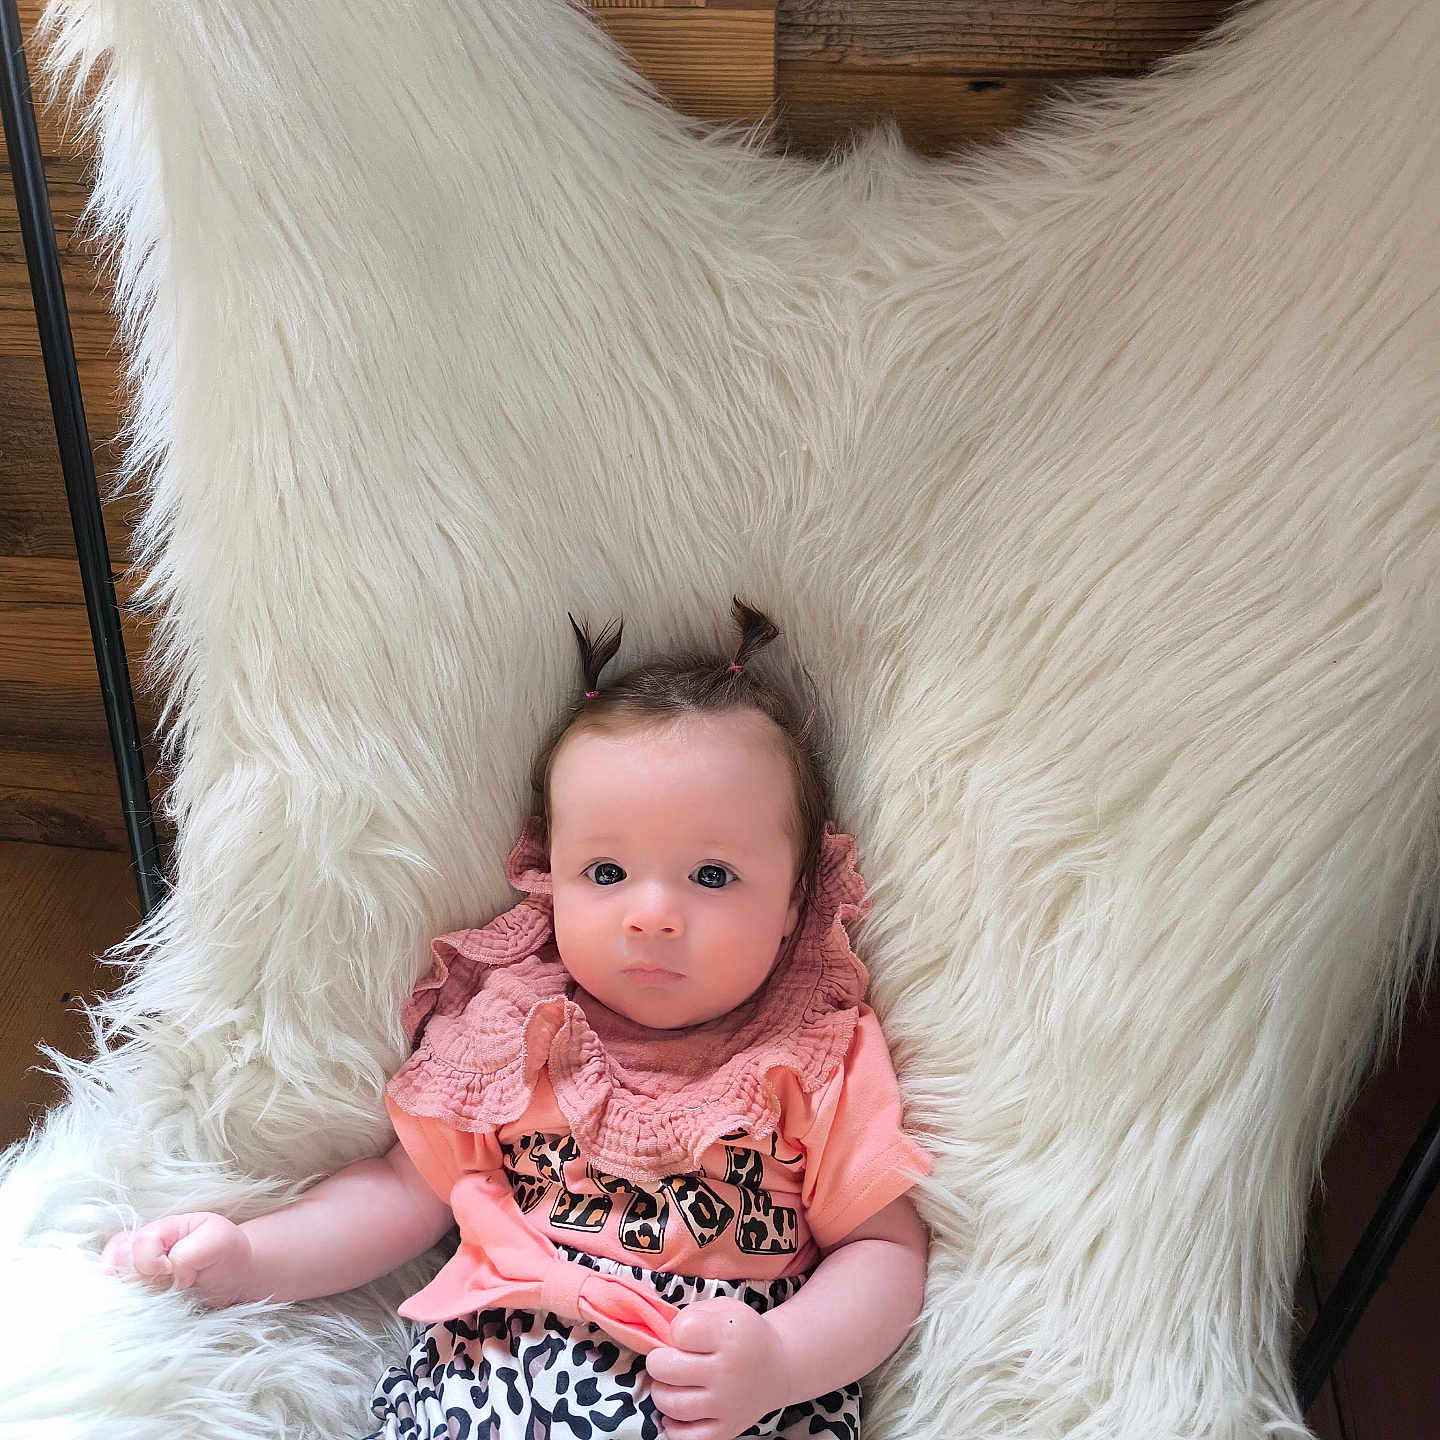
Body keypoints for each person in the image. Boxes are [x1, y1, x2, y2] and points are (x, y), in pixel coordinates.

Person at [101, 597, 933, 1440]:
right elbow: (402, 1194)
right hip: (495, 1382)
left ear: (797, 903)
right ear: (548, 876)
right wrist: (252, 1258)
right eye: (605, 871)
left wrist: (783, 1359)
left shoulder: (812, 1058)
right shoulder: (510, 1033)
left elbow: (884, 1254)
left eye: (711, 877)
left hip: (721, 1394)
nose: (651, 915)